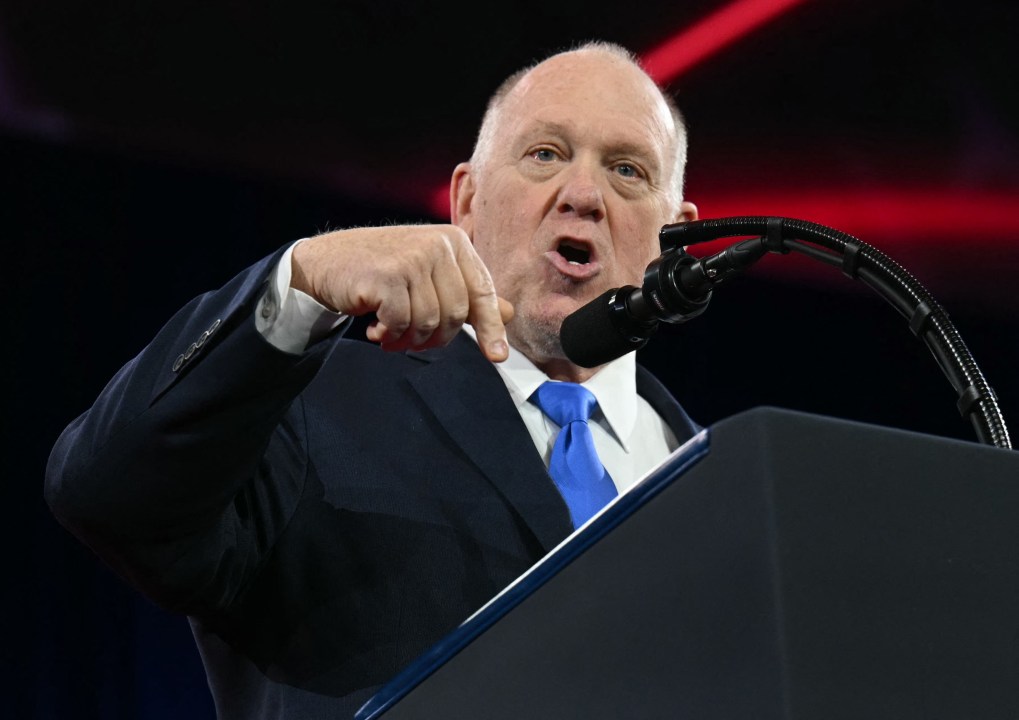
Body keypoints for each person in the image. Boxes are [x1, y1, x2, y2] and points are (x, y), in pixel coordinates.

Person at [45, 40, 701, 719]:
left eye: (627, 170)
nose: (584, 195)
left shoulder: (721, 480)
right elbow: (106, 493)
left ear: (676, 236)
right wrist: (300, 280)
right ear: (466, 202)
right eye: (544, 154)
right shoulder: (303, 401)